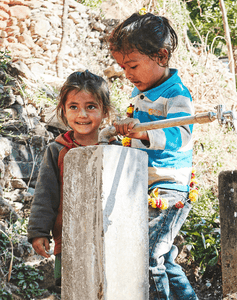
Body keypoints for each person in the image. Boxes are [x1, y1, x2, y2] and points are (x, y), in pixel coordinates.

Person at [108, 11, 197, 300]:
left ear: (160, 55)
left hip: (169, 189)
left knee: (146, 257)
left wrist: (142, 132)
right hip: (144, 187)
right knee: (164, 258)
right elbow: (134, 133)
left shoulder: (177, 96)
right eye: (123, 67)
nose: (127, 74)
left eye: (132, 65)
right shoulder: (142, 93)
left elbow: (181, 135)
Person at [27, 70, 113, 286]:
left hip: (109, 239)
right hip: (68, 238)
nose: (82, 114)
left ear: (105, 112)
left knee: (107, 286)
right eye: (73, 107)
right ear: (63, 111)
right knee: (72, 287)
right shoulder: (57, 151)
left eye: (91, 107)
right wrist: (38, 231)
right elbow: (45, 194)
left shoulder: (114, 151)